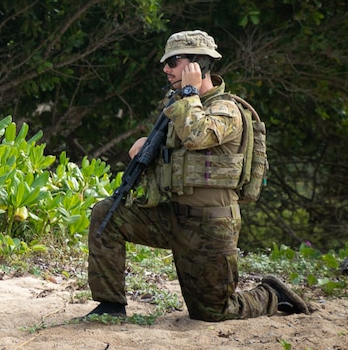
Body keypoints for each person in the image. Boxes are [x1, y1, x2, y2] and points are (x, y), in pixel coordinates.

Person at [83, 30, 309, 321]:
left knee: (212, 312)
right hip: (173, 217)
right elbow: (179, 151)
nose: (166, 68)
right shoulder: (180, 105)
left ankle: (272, 295)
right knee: (107, 214)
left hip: (210, 227)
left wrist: (189, 93)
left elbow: (197, 135)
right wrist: (146, 147)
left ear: (197, 66)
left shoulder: (227, 109)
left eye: (174, 61)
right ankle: (110, 306)